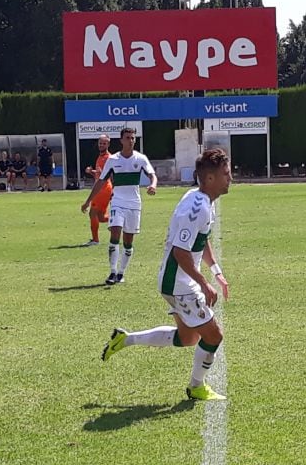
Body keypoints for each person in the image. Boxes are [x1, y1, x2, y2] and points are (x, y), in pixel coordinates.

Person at [100, 147, 232, 401]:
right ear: (211, 178)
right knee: (214, 336)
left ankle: (125, 340)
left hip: (175, 281)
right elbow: (181, 253)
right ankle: (196, 386)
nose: (230, 178)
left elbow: (199, 240)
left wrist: (216, 271)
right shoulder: (199, 207)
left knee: (188, 338)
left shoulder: (202, 199)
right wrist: (204, 283)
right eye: (226, 174)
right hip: (179, 282)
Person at [81, 127, 157, 285]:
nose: (131, 140)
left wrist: (153, 185)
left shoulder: (141, 158)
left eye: (133, 138)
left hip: (134, 203)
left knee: (128, 241)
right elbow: (101, 181)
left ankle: (121, 273)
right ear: (121, 140)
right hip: (117, 201)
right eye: (128, 137)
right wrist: (88, 201)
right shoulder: (113, 160)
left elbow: (152, 175)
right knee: (115, 233)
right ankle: (112, 272)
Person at [83, 134, 113, 246]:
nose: (101, 145)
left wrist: (93, 172)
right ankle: (118, 222)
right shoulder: (101, 157)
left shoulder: (108, 158)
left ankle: (95, 240)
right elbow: (100, 173)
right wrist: (92, 172)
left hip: (103, 188)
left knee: (92, 213)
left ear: (108, 144)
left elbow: (104, 175)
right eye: (100, 143)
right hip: (103, 187)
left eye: (104, 143)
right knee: (100, 217)